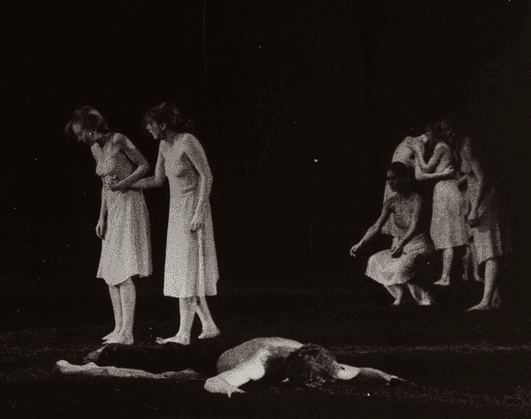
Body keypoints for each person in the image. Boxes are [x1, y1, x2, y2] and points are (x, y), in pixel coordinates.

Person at [129, 102, 219, 343]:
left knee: (188, 270)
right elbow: (157, 180)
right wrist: (127, 184)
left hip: (193, 208)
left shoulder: (187, 140)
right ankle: (209, 325)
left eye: (151, 125)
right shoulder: (163, 145)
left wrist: (199, 212)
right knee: (182, 270)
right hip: (177, 211)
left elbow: (207, 175)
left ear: (163, 124)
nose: (149, 130)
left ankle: (183, 334)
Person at [57, 336, 402, 396]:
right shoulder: (260, 363)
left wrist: (386, 376)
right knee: (164, 370)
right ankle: (107, 354)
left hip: (237, 350)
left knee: (166, 369)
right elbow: (213, 383)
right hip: (214, 358)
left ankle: (103, 359)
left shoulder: (325, 362)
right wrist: (230, 389)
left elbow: (359, 371)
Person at [65, 106, 152, 344]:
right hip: (113, 208)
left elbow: (144, 165)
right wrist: (101, 216)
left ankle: (128, 332)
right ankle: (118, 328)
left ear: (92, 126)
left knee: (123, 270)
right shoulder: (95, 148)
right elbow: (104, 185)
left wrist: (125, 183)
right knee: (110, 271)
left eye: (82, 132)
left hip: (129, 203)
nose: (81, 138)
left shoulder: (119, 139)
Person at [350, 161, 435, 307]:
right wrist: (361, 243)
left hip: (419, 246)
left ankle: (424, 299)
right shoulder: (391, 202)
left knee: (404, 267)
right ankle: (400, 294)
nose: (391, 183)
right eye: (388, 179)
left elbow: (414, 226)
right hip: (402, 247)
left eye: (394, 178)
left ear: (405, 178)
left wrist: (402, 243)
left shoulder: (417, 199)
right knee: (374, 261)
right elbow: (376, 226)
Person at [459, 129, 511, 311]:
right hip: (481, 202)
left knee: (490, 251)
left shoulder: (467, 146)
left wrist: (474, 209)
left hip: (485, 203)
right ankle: (495, 299)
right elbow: (474, 174)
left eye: (448, 128)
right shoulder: (463, 148)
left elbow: (481, 177)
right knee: (486, 250)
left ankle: (486, 301)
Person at [417, 119, 469, 287]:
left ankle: (446, 277)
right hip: (448, 189)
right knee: (453, 233)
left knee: (447, 234)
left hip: (445, 191)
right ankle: (464, 274)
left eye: (428, 133)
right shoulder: (447, 148)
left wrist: (418, 152)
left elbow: (426, 169)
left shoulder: (440, 147)